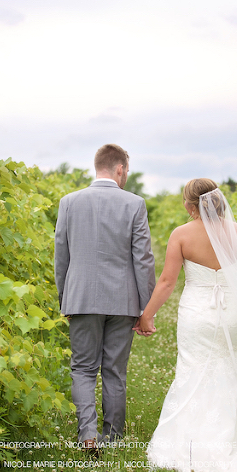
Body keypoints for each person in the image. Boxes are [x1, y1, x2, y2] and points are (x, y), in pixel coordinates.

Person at [135, 178, 237, 472]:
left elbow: (166, 282)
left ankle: (191, 443)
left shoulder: (181, 235)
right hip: (234, 315)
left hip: (198, 315)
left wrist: (146, 315)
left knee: (194, 369)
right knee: (234, 370)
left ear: (190, 206)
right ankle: (233, 441)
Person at [54, 144, 156, 452]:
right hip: (123, 301)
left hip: (81, 297)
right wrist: (145, 307)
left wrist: (65, 299)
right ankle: (112, 437)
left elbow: (62, 255)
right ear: (121, 169)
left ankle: (87, 434)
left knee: (83, 368)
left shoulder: (68, 202)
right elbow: (144, 260)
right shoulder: (135, 204)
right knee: (115, 370)